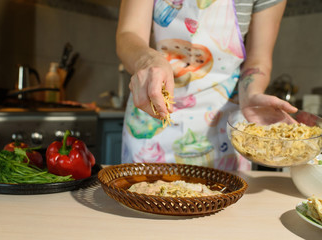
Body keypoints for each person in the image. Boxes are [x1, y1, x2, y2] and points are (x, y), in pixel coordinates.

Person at [116, 0, 297, 170]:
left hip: (222, 124)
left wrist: (252, 95)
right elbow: (128, 33)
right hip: (151, 114)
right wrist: (148, 61)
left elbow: (258, 59)